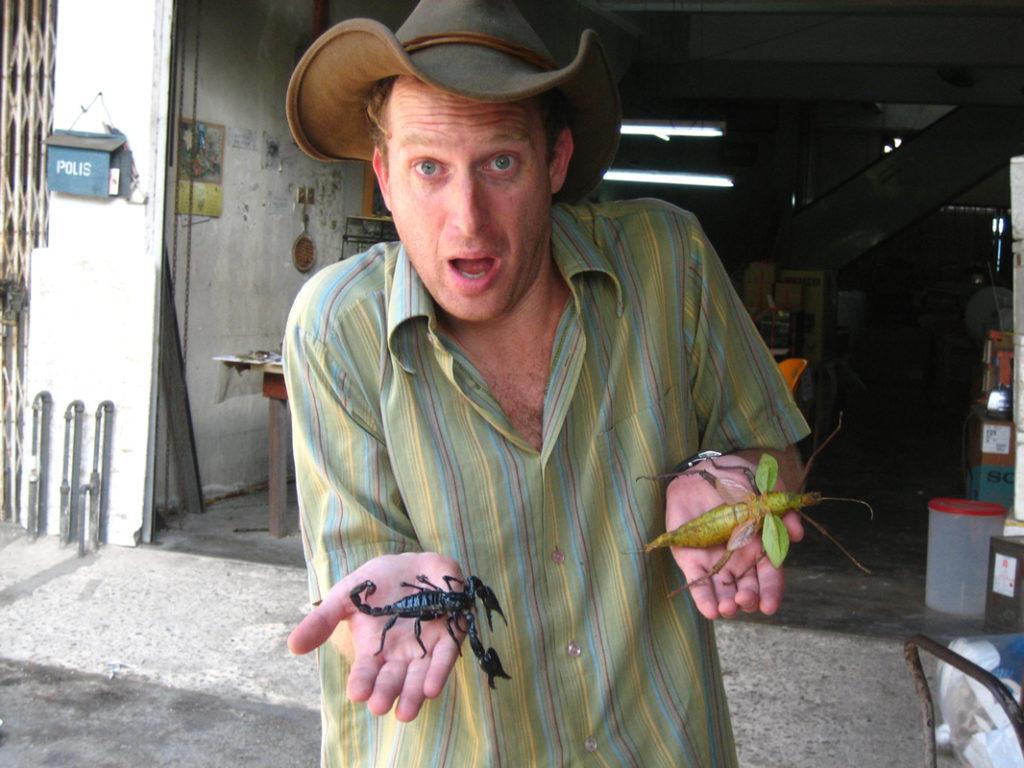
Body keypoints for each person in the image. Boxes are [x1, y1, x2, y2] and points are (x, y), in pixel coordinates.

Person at [282, 0, 809, 765]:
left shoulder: (669, 263)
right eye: (429, 169)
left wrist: (732, 480)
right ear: (384, 179)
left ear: (555, 162)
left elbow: (778, 458)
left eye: (501, 163)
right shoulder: (335, 328)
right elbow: (363, 581)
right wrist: (396, 593)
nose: (467, 221)